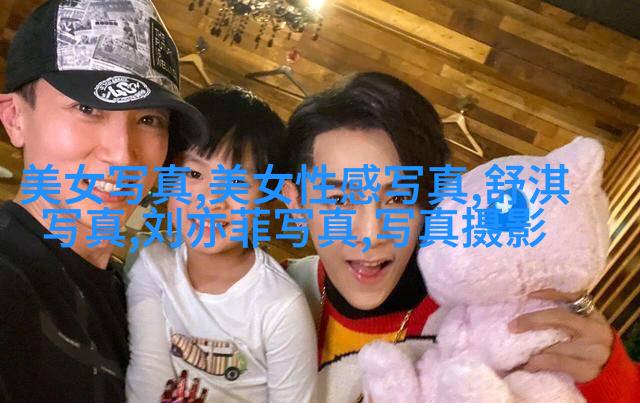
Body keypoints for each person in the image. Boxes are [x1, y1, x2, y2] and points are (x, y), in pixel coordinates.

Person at [282, 72, 640, 402]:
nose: (370, 234)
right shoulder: (271, 290)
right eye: (339, 200)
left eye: (398, 198)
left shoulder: (486, 319)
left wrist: (609, 379)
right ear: (296, 203)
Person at [0, 0, 207, 401]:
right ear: (15, 118)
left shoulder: (135, 294)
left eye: (149, 120)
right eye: (88, 108)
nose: (123, 155)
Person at [125, 86, 318, 403]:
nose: (211, 200)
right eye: (194, 173)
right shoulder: (153, 268)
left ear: (267, 196)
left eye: (238, 182)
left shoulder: (281, 308)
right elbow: (147, 374)